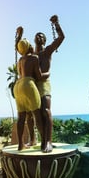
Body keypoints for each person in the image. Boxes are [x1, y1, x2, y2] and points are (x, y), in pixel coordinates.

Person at [26, 15, 65, 153]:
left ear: (45, 39)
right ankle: (43, 140)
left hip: (44, 85)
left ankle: (48, 141)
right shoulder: (32, 55)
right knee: (36, 115)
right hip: (33, 86)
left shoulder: (47, 51)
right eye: (37, 36)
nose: (39, 37)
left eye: (42, 35)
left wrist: (56, 24)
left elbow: (61, 38)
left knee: (46, 111)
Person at [14, 37, 49, 151]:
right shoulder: (34, 58)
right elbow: (38, 76)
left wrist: (18, 37)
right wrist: (47, 74)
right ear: (29, 46)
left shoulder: (20, 60)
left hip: (17, 86)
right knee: (37, 114)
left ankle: (21, 144)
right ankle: (44, 142)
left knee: (21, 117)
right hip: (28, 84)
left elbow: (19, 48)